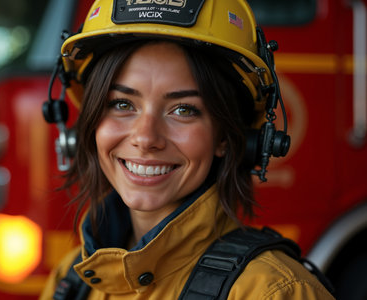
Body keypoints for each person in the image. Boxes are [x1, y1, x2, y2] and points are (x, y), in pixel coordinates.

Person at [40, 0, 335, 299]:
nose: (146, 137)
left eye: (183, 110)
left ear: (225, 137)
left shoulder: (273, 292)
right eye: (122, 104)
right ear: (88, 129)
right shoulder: (70, 280)